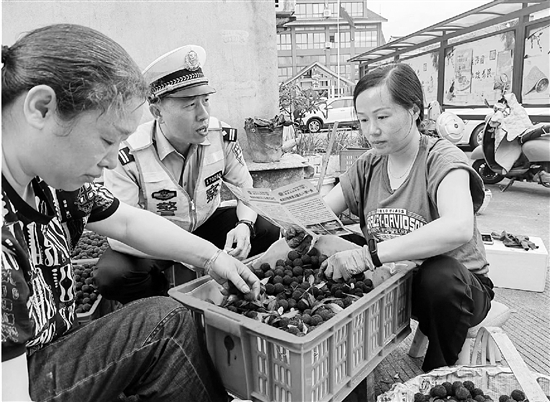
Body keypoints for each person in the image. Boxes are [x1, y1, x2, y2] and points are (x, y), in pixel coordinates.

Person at [2, 23, 259, 402]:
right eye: (107, 139)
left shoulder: (49, 183)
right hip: (20, 375)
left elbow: (124, 220)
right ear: (42, 108)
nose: (110, 161)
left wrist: (212, 258)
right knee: (163, 321)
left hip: (52, 347)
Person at [319, 63, 495, 372]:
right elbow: (321, 213)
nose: (371, 130)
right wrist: (288, 221)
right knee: (329, 246)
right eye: (363, 119)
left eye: (382, 117)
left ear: (413, 110)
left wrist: (369, 256)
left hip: (458, 292)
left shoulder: (441, 158)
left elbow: (458, 227)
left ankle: (438, 375)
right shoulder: (368, 165)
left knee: (439, 276)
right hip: (396, 285)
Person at [94, 45, 280, 304]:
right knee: (113, 275)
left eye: (205, 100)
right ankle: (162, 303)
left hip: (205, 225)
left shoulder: (221, 137)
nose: (203, 114)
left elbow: (247, 190)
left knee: (266, 228)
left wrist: (244, 225)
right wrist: (191, 255)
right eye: (191, 104)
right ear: (157, 112)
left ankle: (240, 293)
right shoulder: (128, 153)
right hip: (153, 238)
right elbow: (120, 234)